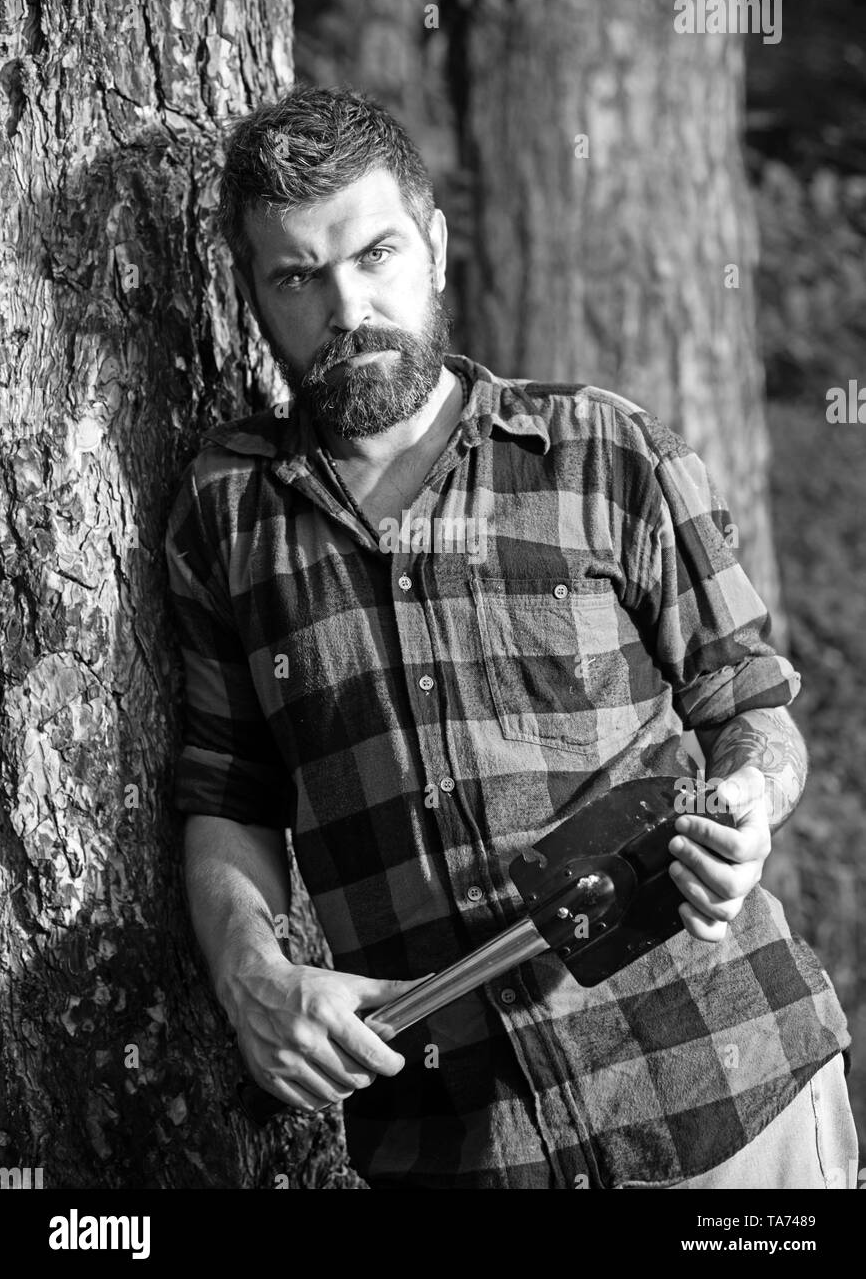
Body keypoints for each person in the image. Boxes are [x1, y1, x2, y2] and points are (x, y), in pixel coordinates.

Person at [164, 84, 856, 1190]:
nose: (349, 308)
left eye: (376, 252)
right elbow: (227, 791)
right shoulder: (227, 517)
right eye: (299, 275)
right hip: (459, 1146)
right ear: (252, 297)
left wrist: (747, 809)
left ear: (434, 245)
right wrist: (250, 964)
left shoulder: (602, 448)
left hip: (726, 1096)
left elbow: (753, 713)